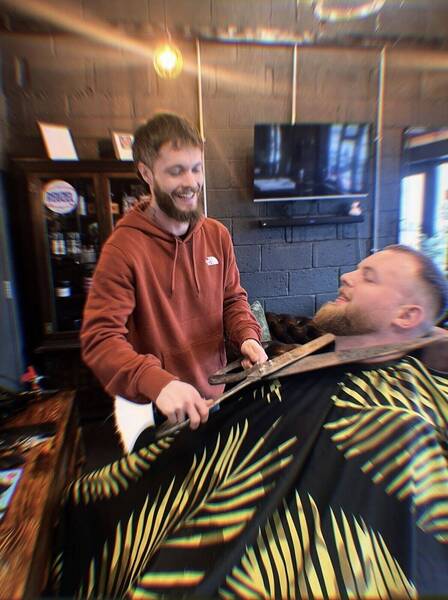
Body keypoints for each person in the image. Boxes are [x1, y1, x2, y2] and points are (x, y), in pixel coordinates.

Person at [51, 245, 448, 598]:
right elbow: (102, 335)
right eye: (357, 269)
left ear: (407, 315)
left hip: (255, 550)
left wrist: (246, 335)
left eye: (368, 277)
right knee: (87, 501)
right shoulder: (318, 358)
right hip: (190, 463)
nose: (346, 276)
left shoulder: (394, 418)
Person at [81, 113, 267, 431]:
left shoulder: (217, 235)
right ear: (147, 174)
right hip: (155, 408)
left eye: (196, 168)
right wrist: (157, 382)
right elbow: (100, 339)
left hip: (215, 394)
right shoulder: (123, 248)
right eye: (176, 171)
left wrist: (247, 337)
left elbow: (232, 300)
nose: (191, 182)